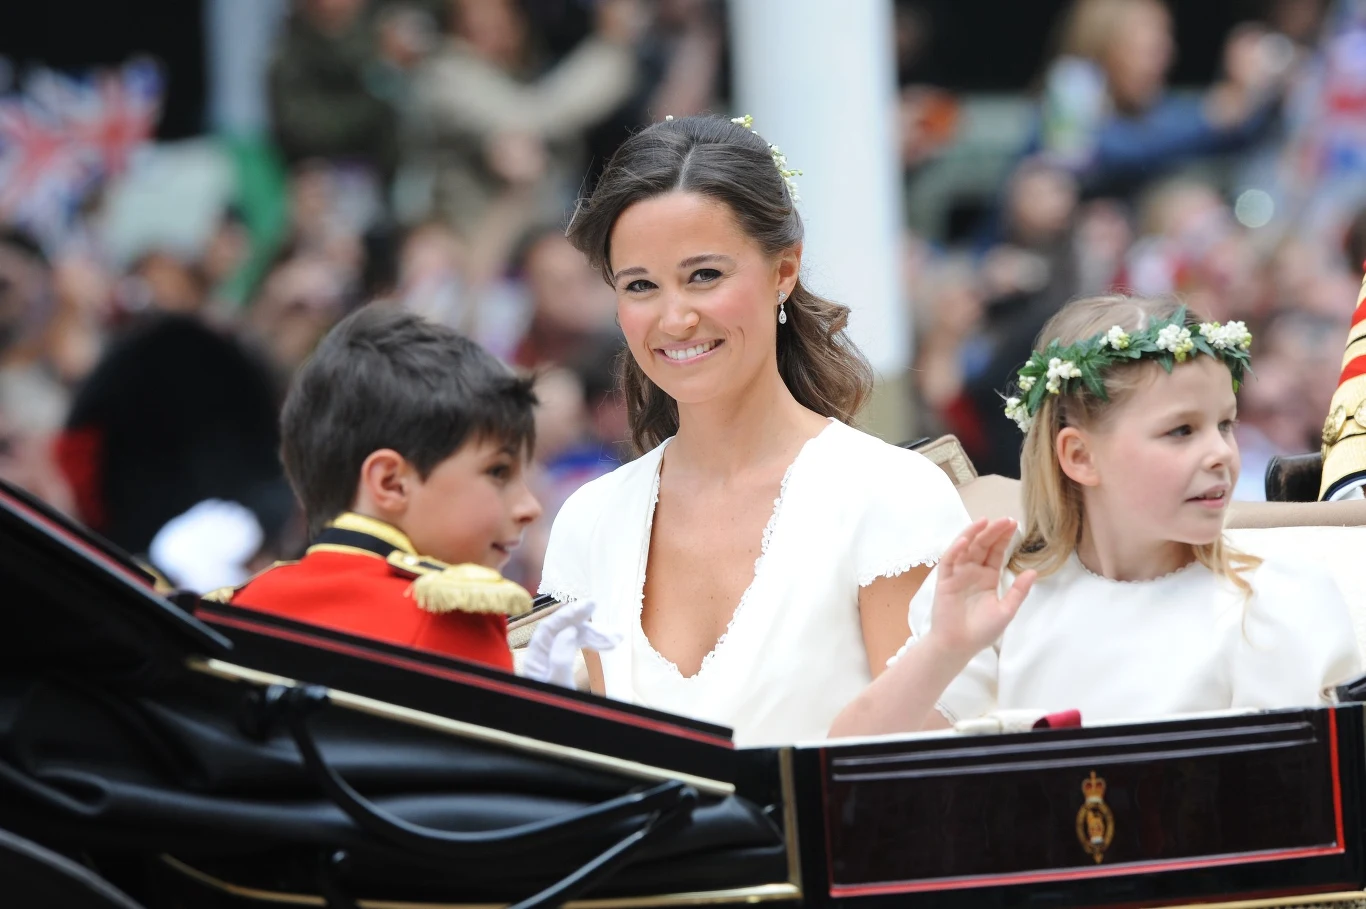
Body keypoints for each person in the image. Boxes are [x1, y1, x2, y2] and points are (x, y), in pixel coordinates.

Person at [538, 114, 970, 746]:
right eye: (641, 285)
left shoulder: (889, 495)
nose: (675, 318)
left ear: (783, 271)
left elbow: (925, 763)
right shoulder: (591, 520)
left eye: (704, 276)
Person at [830, 295, 1360, 738]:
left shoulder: (1272, 599)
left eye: (1225, 425)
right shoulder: (1006, 598)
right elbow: (853, 762)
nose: (1221, 453)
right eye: (1181, 431)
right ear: (1080, 456)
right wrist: (945, 648)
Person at [210, 304, 543, 671]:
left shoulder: (234, 612)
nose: (530, 507)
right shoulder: (448, 625)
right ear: (390, 483)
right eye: (498, 472)